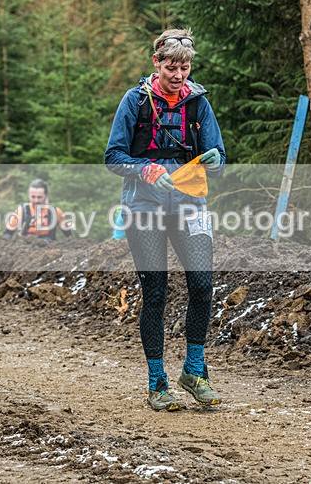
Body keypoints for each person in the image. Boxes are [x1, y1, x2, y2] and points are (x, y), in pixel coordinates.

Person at [105, 28, 226, 411]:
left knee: (202, 286)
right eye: (171, 67)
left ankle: (194, 371)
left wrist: (215, 161)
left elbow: (219, 158)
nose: (178, 75)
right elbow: (113, 156)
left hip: (190, 204)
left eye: (184, 68)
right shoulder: (135, 101)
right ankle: (157, 382)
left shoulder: (198, 103)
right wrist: (145, 170)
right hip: (144, 207)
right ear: (156, 63)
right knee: (156, 293)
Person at [2, 178, 73, 241]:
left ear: (46, 195)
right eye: (33, 197)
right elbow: (7, 234)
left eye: (39, 197)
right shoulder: (21, 211)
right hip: (25, 248)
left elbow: (70, 237)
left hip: (49, 248)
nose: (36, 201)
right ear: (29, 195)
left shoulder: (56, 212)